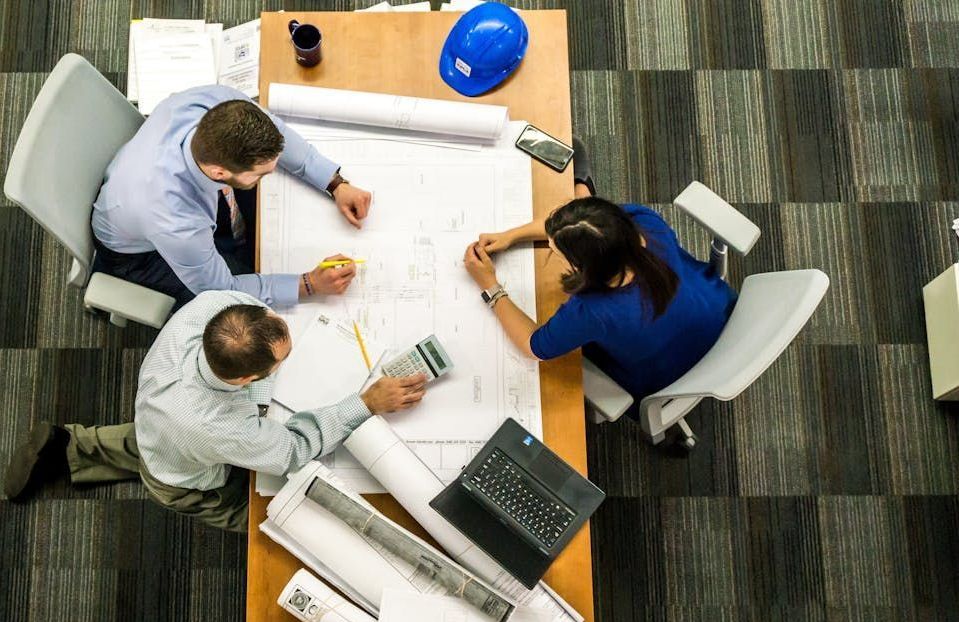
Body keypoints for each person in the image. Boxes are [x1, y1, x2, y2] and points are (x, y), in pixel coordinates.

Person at [2, 291, 427, 532]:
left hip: (159, 419)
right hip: (185, 477)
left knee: (153, 440)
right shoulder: (218, 427)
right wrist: (365, 402)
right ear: (246, 380)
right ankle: (275, 526)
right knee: (267, 516)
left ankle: (70, 446)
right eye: (282, 361)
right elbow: (292, 451)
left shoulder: (213, 308)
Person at [462, 140, 737, 404]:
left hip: (668, 373)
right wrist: (511, 236)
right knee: (576, 162)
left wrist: (491, 286)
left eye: (555, 251)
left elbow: (534, 346)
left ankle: (582, 186)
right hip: (719, 312)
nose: (549, 247)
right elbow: (588, 227)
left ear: (584, 268)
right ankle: (583, 188)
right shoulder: (644, 224)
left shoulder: (592, 311)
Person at [91, 85, 373, 309]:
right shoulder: (175, 221)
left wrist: (334, 183)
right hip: (138, 255)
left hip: (141, 188)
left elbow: (278, 133)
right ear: (219, 172)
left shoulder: (215, 103)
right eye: (261, 173)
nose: (270, 175)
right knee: (242, 313)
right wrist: (308, 284)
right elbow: (222, 290)